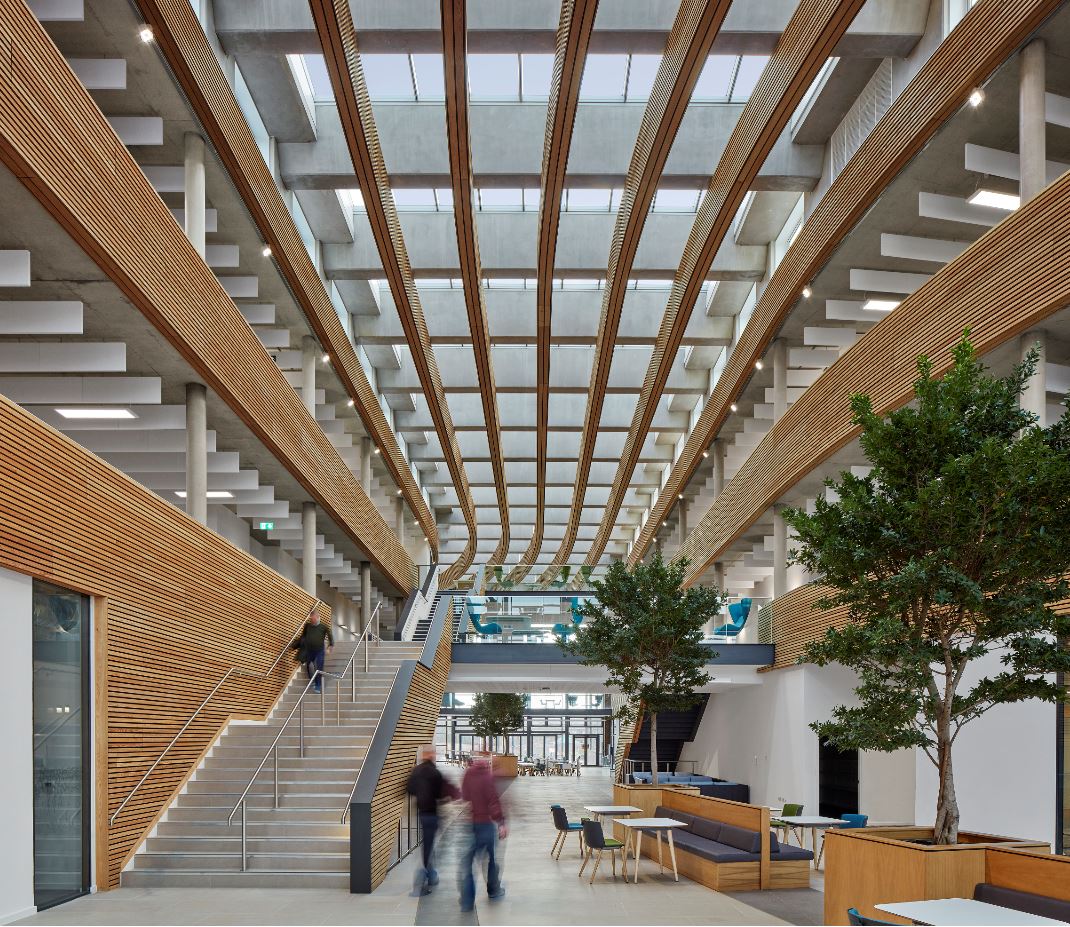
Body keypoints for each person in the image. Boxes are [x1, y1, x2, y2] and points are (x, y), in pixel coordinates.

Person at [406, 745, 459, 896]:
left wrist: (420, 793)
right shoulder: (435, 773)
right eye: (433, 754)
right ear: (431, 755)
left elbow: (410, 789)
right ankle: (421, 882)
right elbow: (440, 794)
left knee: (428, 844)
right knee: (429, 847)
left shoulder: (416, 771)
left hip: (421, 813)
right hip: (432, 813)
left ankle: (432, 875)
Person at [459, 753, 507, 912]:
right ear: (487, 762)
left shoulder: (468, 774)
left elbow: (465, 796)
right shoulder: (488, 777)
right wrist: (501, 823)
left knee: (468, 862)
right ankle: (493, 891)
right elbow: (493, 801)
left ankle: (467, 900)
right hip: (486, 823)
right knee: (491, 859)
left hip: (471, 823)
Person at [293, 606, 332, 693]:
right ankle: (312, 680)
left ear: (317, 617)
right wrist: (299, 644)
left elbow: (330, 636)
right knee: (308, 665)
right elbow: (303, 636)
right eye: (311, 619)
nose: (312, 621)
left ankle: (318, 685)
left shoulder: (323, 627)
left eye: (313, 619)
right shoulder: (307, 626)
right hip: (309, 650)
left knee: (318, 667)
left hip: (320, 650)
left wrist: (330, 646)